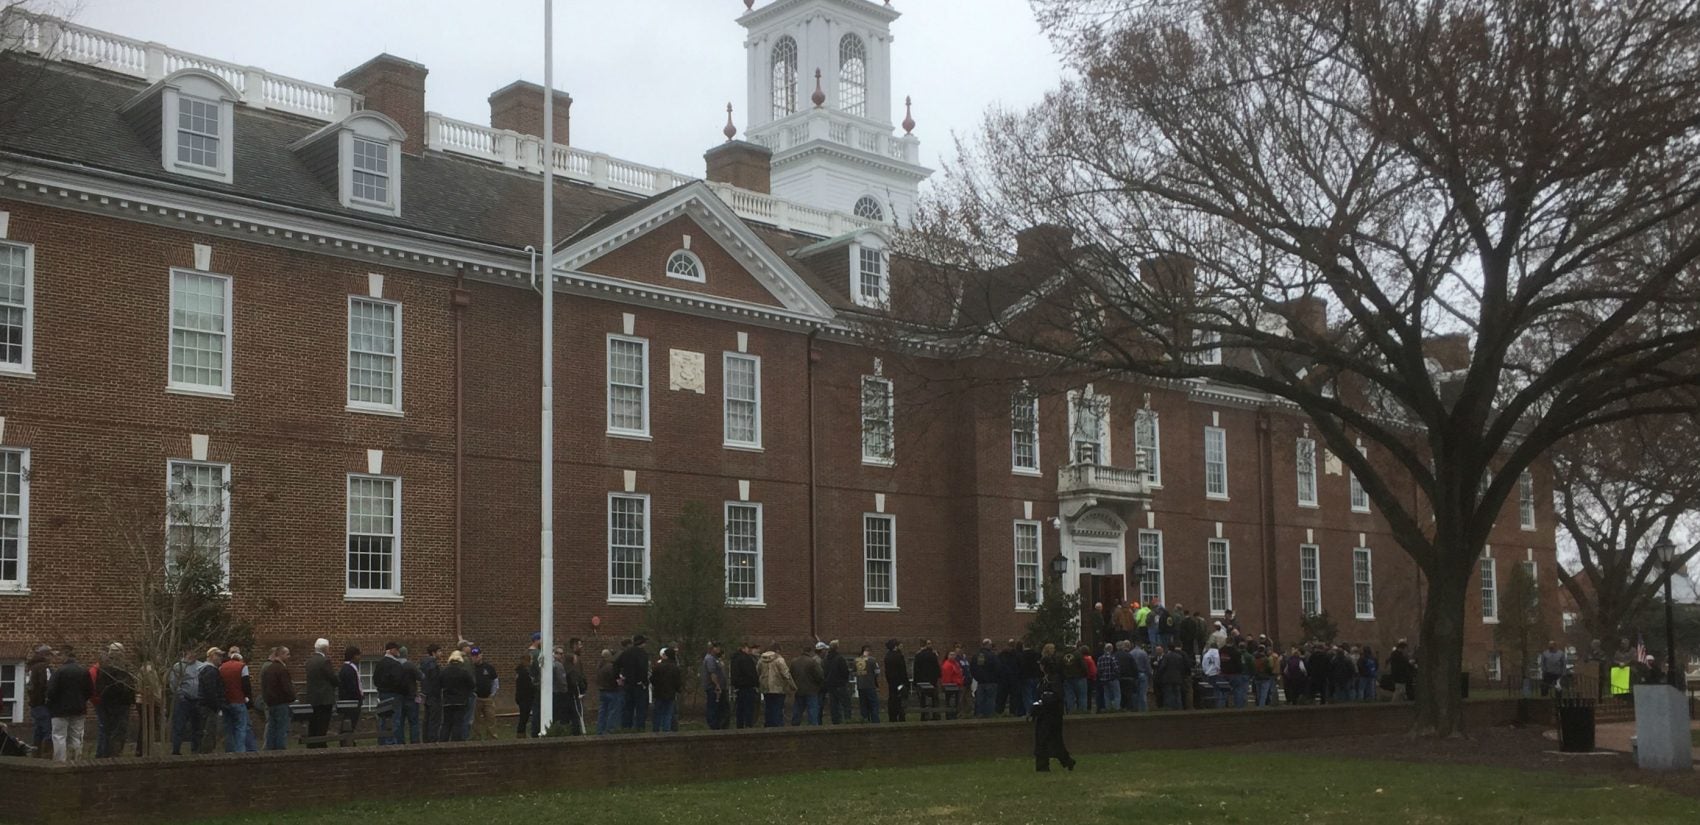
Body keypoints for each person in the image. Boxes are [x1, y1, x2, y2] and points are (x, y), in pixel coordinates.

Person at [45, 645, 92, 762]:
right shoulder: (83, 671)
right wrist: (81, 700)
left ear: (65, 656)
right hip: (79, 708)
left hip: (60, 710)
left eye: (61, 655)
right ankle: (76, 760)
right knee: (76, 736)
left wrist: (52, 703)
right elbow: (90, 691)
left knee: (59, 736)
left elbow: (51, 691)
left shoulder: (59, 672)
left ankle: (60, 761)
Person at [1031, 658, 1075, 772]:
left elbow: (1056, 696)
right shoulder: (1043, 680)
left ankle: (1066, 760)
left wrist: (1045, 699)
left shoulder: (1054, 679)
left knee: (1053, 740)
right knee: (1042, 739)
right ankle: (1043, 765)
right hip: (1043, 714)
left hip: (1053, 715)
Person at [94, 643, 136, 759]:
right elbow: (126, 686)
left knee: (108, 730)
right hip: (119, 704)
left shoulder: (104, 667)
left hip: (108, 704)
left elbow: (99, 687)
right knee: (117, 731)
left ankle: (106, 754)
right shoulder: (122, 669)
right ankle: (113, 756)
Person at [218, 648, 254, 752]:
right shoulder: (242, 667)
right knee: (241, 728)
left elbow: (220, 684)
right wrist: (248, 698)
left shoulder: (222, 667)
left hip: (226, 701)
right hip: (238, 700)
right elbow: (246, 684)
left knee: (228, 728)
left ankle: (229, 752)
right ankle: (240, 752)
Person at [303, 639, 337, 749]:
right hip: (324, 698)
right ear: (325, 648)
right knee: (323, 723)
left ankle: (311, 744)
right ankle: (321, 744)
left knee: (313, 723)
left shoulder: (309, 661)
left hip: (313, 698)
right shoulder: (325, 661)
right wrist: (338, 682)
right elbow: (332, 677)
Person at [260, 646, 295, 751]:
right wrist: (292, 697)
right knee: (281, 727)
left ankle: (269, 748)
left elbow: (264, 686)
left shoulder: (268, 669)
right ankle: (280, 748)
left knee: (271, 726)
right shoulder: (281, 669)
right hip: (281, 702)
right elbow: (286, 687)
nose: (289, 657)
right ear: (281, 655)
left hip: (270, 703)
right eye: (287, 654)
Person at [372, 642, 406, 746]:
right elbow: (399, 681)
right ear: (391, 650)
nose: (398, 652)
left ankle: (382, 741)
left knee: (383, 719)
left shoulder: (380, 663)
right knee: (394, 720)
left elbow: (375, 679)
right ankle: (391, 742)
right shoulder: (395, 664)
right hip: (394, 695)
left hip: (382, 694)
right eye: (396, 649)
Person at [615, 634, 651, 731]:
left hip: (628, 684)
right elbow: (643, 669)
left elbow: (616, 664)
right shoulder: (643, 654)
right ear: (642, 643)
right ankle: (639, 728)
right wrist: (644, 682)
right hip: (639, 685)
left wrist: (618, 678)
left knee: (628, 708)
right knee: (641, 709)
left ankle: (626, 727)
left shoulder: (626, 653)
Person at [439, 650, 475, 742]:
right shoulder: (463, 672)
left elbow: (439, 684)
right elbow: (472, 685)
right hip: (461, 701)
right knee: (457, 723)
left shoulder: (444, 671)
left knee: (446, 723)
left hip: (447, 701)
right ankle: (455, 743)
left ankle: (443, 742)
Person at [758, 643, 795, 727]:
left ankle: (768, 724)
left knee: (768, 707)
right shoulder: (779, 660)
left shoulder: (761, 660)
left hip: (766, 687)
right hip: (778, 688)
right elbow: (786, 674)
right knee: (778, 707)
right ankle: (777, 725)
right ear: (777, 650)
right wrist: (792, 685)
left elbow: (758, 671)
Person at [194, 648, 224, 753]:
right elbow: (211, 691)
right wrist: (217, 706)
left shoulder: (205, 669)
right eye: (218, 655)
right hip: (208, 707)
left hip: (206, 706)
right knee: (209, 733)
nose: (221, 658)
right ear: (211, 656)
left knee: (206, 732)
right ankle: (205, 756)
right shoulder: (210, 671)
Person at [791, 643, 826, 726]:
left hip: (798, 690)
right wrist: (819, 685)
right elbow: (820, 676)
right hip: (811, 690)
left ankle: (794, 726)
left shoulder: (794, 662)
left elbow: (791, 675)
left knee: (797, 710)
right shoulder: (812, 662)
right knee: (812, 710)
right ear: (810, 652)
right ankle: (813, 728)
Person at [651, 647, 684, 732]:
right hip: (670, 693)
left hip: (658, 693)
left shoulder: (658, 666)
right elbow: (678, 681)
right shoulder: (675, 668)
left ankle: (656, 730)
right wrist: (677, 689)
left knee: (657, 713)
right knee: (668, 713)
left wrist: (656, 686)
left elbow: (652, 679)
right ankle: (666, 731)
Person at [469, 647, 498, 740]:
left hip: (488, 698)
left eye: (477, 656)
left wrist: (492, 694)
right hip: (475, 698)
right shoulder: (470, 669)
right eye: (473, 656)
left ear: (481, 655)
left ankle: (492, 737)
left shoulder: (488, 668)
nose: (475, 658)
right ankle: (476, 737)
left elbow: (495, 681)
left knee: (491, 719)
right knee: (475, 720)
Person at [395, 646, 422, 744]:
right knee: (414, 722)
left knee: (399, 722)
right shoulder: (410, 665)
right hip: (411, 696)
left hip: (398, 697)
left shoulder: (395, 665)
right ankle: (415, 742)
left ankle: (400, 742)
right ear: (406, 654)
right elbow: (421, 676)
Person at [730, 642, 760, 729]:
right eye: (747, 648)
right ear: (743, 648)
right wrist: (756, 683)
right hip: (748, 686)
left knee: (740, 708)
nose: (749, 650)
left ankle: (739, 725)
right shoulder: (746, 659)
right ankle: (748, 725)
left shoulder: (734, 658)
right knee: (749, 707)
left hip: (738, 687)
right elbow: (751, 673)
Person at [821, 640, 851, 725]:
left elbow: (824, 671)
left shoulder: (826, 659)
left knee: (834, 705)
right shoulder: (840, 658)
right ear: (837, 647)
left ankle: (836, 722)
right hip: (840, 684)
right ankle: (848, 721)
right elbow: (845, 671)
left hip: (830, 685)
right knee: (846, 703)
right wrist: (844, 680)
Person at [969, 639, 1000, 718]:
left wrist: (977, 678)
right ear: (988, 645)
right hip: (991, 681)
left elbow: (972, 668)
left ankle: (979, 715)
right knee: (990, 700)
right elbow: (998, 668)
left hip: (980, 682)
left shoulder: (976, 656)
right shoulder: (992, 656)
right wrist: (996, 678)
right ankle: (989, 716)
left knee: (980, 699)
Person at [912, 640, 941, 721]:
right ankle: (936, 715)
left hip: (921, 682)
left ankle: (924, 716)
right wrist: (937, 677)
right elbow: (937, 668)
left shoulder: (918, 655)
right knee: (934, 699)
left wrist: (915, 682)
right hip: (932, 681)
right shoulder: (933, 655)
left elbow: (916, 670)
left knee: (923, 700)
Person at [419, 643, 443, 742]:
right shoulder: (433, 665)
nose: (441, 653)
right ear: (434, 653)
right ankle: (433, 739)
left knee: (427, 719)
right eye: (439, 651)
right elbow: (436, 681)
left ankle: (426, 739)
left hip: (426, 695)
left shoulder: (423, 664)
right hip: (434, 695)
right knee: (434, 719)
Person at [594, 649, 621, 736]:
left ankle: (600, 730)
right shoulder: (610, 666)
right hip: (611, 691)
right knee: (612, 711)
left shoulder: (599, 666)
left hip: (602, 691)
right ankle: (610, 729)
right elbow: (614, 678)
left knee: (602, 711)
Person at [853, 644, 881, 723]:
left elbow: (854, 673)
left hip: (860, 686)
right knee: (873, 705)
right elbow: (877, 672)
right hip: (870, 685)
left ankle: (865, 721)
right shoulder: (872, 660)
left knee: (863, 705)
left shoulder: (856, 660)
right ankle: (875, 721)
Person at [702, 641, 727, 730]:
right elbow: (712, 674)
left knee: (718, 707)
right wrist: (717, 685)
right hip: (713, 688)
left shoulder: (715, 659)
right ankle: (713, 725)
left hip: (717, 687)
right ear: (713, 648)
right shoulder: (710, 659)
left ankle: (718, 724)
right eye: (717, 647)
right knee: (713, 706)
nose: (719, 649)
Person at [884, 639, 909, 722]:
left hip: (891, 682)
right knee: (900, 700)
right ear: (895, 646)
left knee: (892, 699)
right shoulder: (899, 656)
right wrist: (905, 683)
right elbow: (903, 671)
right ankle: (901, 717)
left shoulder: (887, 656)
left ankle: (892, 717)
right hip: (899, 683)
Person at [1154, 644, 1186, 710]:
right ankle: (1179, 708)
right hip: (1177, 678)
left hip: (1168, 679)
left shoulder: (1166, 656)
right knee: (1177, 694)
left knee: (1168, 695)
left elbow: (1163, 667)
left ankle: (1169, 709)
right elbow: (1182, 668)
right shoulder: (1179, 657)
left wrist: (1159, 672)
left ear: (1168, 649)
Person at [514, 655, 539, 738]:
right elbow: (528, 686)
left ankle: (521, 733)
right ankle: (521, 734)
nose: (531, 661)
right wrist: (536, 686)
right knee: (524, 717)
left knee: (524, 717)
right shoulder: (523, 673)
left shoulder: (520, 672)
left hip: (521, 698)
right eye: (530, 660)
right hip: (525, 698)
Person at [939, 644, 965, 720]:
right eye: (951, 654)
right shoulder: (947, 665)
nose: (953, 656)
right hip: (951, 687)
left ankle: (955, 715)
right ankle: (950, 716)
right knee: (951, 703)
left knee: (956, 703)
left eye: (954, 654)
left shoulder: (956, 664)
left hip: (957, 686)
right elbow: (947, 677)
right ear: (947, 655)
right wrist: (948, 686)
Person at [997, 640, 1022, 717]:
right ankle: (1013, 712)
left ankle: (999, 712)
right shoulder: (1017, 655)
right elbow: (1020, 666)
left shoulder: (1001, 655)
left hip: (1003, 679)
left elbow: (998, 666)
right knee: (1014, 697)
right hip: (1014, 679)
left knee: (1002, 697)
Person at [1095, 643, 1121, 712]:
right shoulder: (1112, 657)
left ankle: (1108, 709)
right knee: (1117, 694)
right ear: (1111, 649)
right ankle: (1116, 709)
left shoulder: (1100, 658)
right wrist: (1117, 675)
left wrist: (1101, 677)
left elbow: (1098, 670)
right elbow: (1116, 669)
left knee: (1106, 695)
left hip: (1104, 680)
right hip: (1113, 679)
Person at [1127, 641, 1152, 712]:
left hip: (1134, 675)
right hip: (1143, 674)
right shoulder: (1143, 653)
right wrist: (1150, 674)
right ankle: (1144, 710)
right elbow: (1147, 666)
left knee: (1134, 694)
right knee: (1143, 694)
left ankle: (1135, 710)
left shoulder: (1130, 653)